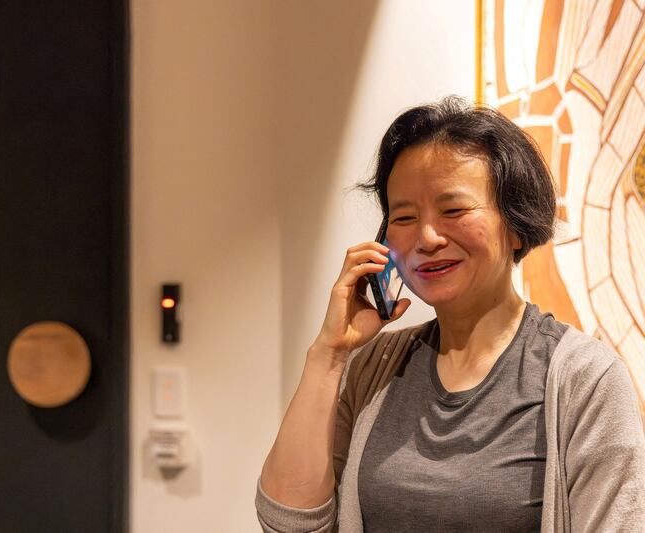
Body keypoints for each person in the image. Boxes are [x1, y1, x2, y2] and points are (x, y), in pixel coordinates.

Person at [256, 96, 645, 532]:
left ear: (515, 225)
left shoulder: (583, 378)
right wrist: (328, 354)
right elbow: (288, 522)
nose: (426, 237)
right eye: (403, 216)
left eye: (454, 210)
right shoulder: (376, 367)